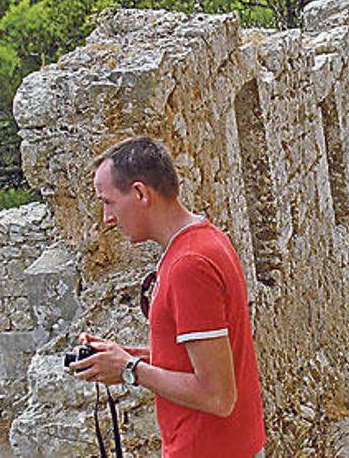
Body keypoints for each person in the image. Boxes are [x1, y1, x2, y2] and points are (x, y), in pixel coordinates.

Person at [70, 137, 266, 457]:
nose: (107, 217)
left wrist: (130, 369)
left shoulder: (190, 265)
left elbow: (218, 395)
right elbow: (197, 358)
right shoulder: (202, 241)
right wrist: (121, 356)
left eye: (108, 202)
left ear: (140, 193)